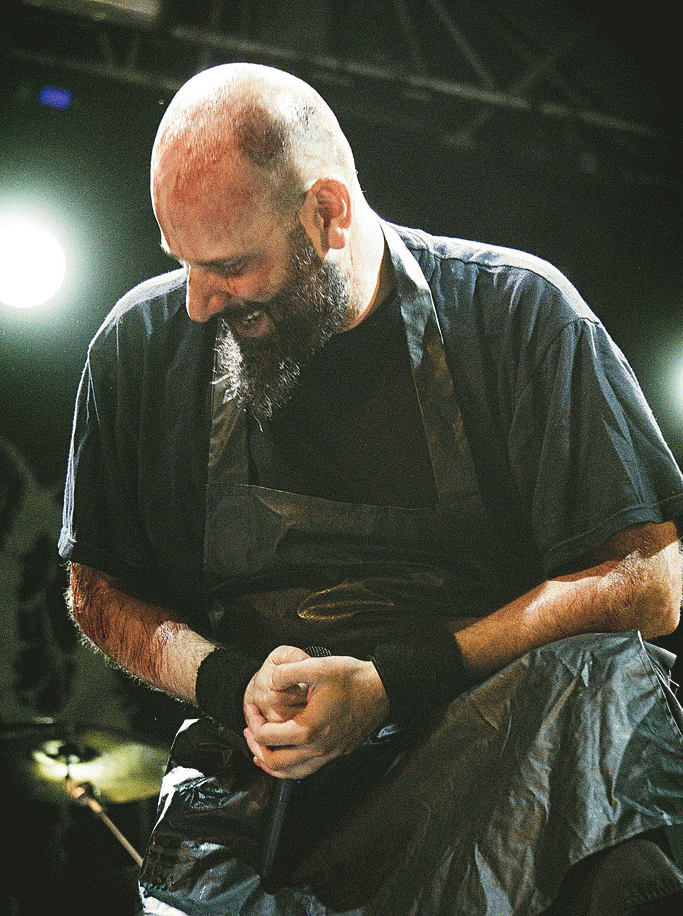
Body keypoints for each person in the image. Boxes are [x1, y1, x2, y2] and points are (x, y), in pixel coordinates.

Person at [59, 63, 683, 916]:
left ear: (327, 212)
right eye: (183, 264)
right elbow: (95, 587)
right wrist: (227, 681)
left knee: (601, 678)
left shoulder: (515, 314)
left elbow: (648, 581)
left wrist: (398, 679)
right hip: (264, 781)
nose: (199, 303)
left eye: (231, 267)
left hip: (492, 759)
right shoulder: (139, 346)